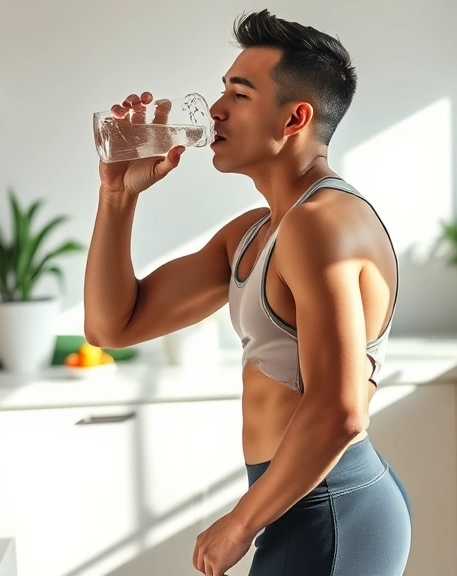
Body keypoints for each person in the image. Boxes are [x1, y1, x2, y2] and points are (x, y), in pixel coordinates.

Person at [83, 9, 411, 576]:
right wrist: (118, 196)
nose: (215, 109)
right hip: (301, 502)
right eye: (222, 91)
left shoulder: (320, 224)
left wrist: (240, 524)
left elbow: (341, 410)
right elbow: (112, 325)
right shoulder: (254, 232)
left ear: (295, 118)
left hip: (329, 508)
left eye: (239, 93)